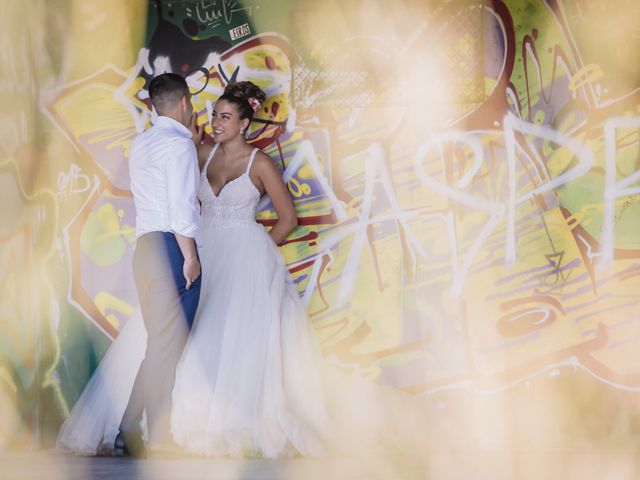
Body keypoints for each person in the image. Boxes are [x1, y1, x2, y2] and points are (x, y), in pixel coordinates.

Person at [57, 73, 203, 457]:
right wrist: (191, 257)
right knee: (168, 348)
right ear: (185, 103)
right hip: (173, 248)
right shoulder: (180, 146)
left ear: (156, 104)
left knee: (160, 345)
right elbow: (181, 208)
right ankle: (153, 435)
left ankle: (131, 429)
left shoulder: (142, 143)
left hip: (145, 250)